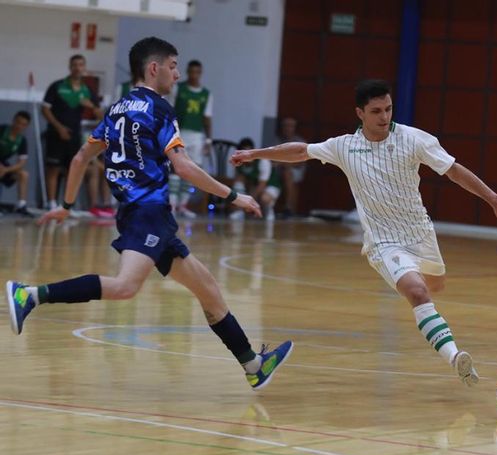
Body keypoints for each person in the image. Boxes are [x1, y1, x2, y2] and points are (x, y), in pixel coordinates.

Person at [6, 37, 292, 390]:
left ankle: (253, 364)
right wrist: (234, 195)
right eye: (173, 67)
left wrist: (65, 206)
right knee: (126, 287)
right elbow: (184, 167)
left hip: (138, 214)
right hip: (148, 213)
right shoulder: (159, 110)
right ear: (154, 68)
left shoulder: (115, 110)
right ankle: (30, 295)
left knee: (208, 290)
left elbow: (80, 159)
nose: (176, 74)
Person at [230, 79, 497, 386]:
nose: (384, 117)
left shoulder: (413, 139)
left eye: (388, 109)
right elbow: (301, 151)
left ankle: (434, 318)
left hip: (421, 233)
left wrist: (495, 200)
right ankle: (455, 357)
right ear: (360, 113)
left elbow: (453, 170)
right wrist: (255, 154)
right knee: (418, 292)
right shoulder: (344, 147)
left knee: (435, 285)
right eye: (376, 111)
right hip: (384, 243)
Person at [42, 54, 105, 210]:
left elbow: (101, 116)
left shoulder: (87, 90)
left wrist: (91, 105)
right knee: (53, 169)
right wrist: (59, 127)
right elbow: (45, 109)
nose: (78, 68)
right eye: (75, 64)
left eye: (81, 65)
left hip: (74, 135)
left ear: (84, 68)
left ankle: (66, 206)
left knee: (72, 170)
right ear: (70, 67)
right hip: (56, 133)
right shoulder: (57, 86)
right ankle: (51, 204)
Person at [169, 60, 213, 218]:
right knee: (176, 168)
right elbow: (170, 110)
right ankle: (171, 205)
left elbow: (207, 118)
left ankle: (182, 205)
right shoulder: (178, 89)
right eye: (191, 72)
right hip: (180, 133)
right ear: (187, 72)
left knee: (192, 170)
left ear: (200, 73)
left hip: (196, 136)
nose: (194, 75)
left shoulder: (206, 94)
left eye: (197, 72)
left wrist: (208, 140)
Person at [230, 138, 282, 221]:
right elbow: (237, 181)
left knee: (264, 198)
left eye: (248, 151)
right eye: (243, 152)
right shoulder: (238, 162)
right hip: (254, 185)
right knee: (238, 184)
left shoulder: (263, 161)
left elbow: (262, 185)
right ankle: (239, 211)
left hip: (271, 185)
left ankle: (269, 211)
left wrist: (248, 202)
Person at [0, 111, 34, 216]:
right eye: (18, 122)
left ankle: (21, 205)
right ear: (13, 121)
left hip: (3, 166)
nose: (19, 126)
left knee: (23, 174)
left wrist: (6, 170)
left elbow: (21, 163)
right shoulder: (2, 130)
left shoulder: (22, 140)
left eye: (23, 124)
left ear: (26, 126)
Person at [275, 117, 306, 218]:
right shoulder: (277, 140)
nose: (288, 128)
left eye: (290, 126)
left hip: (296, 170)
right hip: (278, 169)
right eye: (285, 126)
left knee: (288, 173)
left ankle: (288, 207)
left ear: (294, 128)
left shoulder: (300, 141)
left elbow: (301, 162)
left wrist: (285, 164)